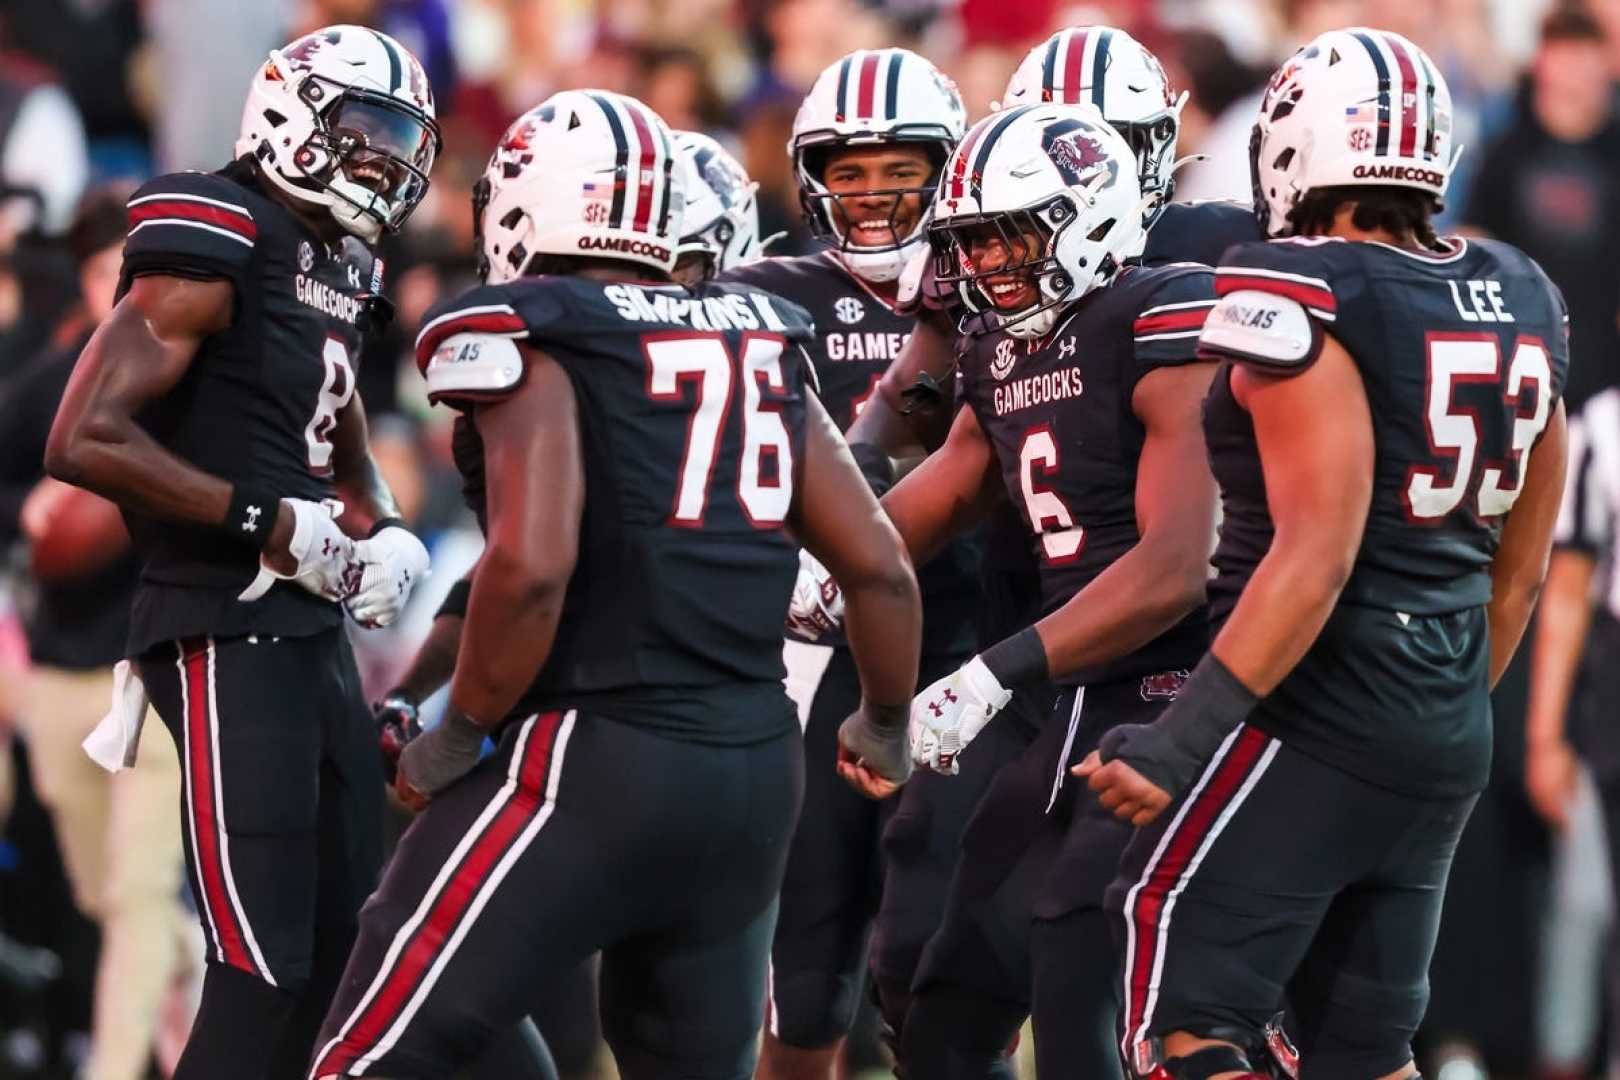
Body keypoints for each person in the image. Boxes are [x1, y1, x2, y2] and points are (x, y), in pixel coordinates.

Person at [309, 89, 923, 1080]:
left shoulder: (532, 329)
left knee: (367, 1054)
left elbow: (532, 565)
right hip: (756, 772)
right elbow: (880, 568)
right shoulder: (756, 334)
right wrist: (885, 720)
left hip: (593, 756)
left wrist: (456, 730)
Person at [1078, 28, 1570, 1080]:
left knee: (1182, 1018)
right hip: (1446, 725)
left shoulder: (1298, 288)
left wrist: (1179, 739)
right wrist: (1435, 710)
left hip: (1311, 708)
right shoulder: (1521, 286)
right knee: (1363, 1050)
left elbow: (1317, 553)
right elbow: (1520, 566)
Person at [837, 30, 1262, 1075]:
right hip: (1059, 688)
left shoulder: (1167, 309)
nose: (983, 265)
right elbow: (933, 490)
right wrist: (806, 568)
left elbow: (1177, 565)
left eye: (1007, 239)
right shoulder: (1001, 338)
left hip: (1164, 687)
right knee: (936, 990)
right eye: (972, 242)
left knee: (1085, 988)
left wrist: (983, 679)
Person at [43, 26, 439, 1080]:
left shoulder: (344, 260)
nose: (385, 163)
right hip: (218, 624)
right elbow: (82, 435)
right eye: (365, 133)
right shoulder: (219, 224)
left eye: (402, 141)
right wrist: (267, 520)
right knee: (262, 970)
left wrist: (384, 522)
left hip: (306, 626)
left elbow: (342, 434)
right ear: (294, 116)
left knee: (353, 955)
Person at [716, 48, 987, 1080]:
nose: (874, 193)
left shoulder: (995, 280)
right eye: (850, 170)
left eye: (902, 169)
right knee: (808, 956)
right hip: (811, 659)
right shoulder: (761, 294)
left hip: (966, 641)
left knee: (943, 961)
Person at [0, 185, 197, 1080]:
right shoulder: (45, 383)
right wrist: (39, 518)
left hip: (151, 662)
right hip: (60, 666)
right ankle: (200, 994)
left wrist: (138, 499)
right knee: (104, 893)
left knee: (137, 892)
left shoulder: (195, 383)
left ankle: (116, 1069)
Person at [1524, 385, 1620, 1061]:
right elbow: (1565, 592)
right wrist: (1544, 735)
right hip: (1612, 704)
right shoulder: (1603, 427)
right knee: (1590, 910)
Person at [1464, 7, 1620, 411]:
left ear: (1606, 64)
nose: (1575, 74)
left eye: (1585, 59)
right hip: (1524, 365)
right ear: (1542, 63)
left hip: (1607, 376)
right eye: (1565, 57)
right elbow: (1473, 239)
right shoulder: (1506, 154)